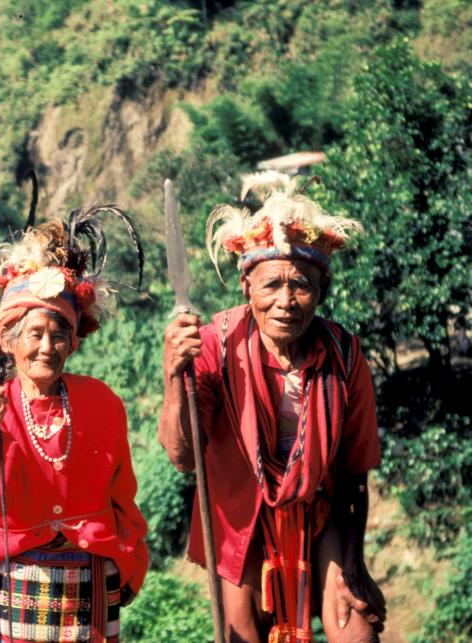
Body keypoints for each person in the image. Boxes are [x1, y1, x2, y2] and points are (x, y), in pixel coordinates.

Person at [159, 172, 387, 642]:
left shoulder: (343, 354)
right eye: (271, 286)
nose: (285, 301)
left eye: (300, 285)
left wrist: (355, 561)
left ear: (320, 292)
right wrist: (173, 377)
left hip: (319, 511)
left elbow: (355, 470)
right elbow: (184, 458)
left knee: (356, 629)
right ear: (247, 288)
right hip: (239, 517)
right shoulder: (213, 344)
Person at [0, 209, 149, 642]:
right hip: (21, 574)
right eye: (34, 334)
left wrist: (129, 556)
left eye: (59, 335)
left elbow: (123, 493)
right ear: (10, 340)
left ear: (72, 342)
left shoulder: (100, 401)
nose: (47, 347)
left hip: (94, 570)